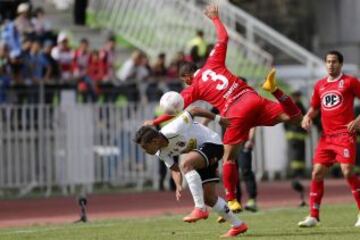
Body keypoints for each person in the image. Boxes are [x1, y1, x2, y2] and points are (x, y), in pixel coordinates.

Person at [145, 4, 302, 213]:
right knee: (293, 116)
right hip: (252, 97)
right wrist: (215, 19)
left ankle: (232, 199)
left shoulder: (195, 87)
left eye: (185, 82)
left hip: (235, 112)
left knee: (229, 157)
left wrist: (155, 122)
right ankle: (273, 89)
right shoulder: (213, 62)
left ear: (186, 77)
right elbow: (223, 39)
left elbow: (175, 110)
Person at [135, 107, 248, 237]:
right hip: (201, 154)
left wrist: (218, 119)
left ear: (154, 141)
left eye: (145, 147)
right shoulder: (161, 152)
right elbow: (174, 169)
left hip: (212, 143)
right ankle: (238, 225)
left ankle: (199, 208)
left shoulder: (172, 129)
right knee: (209, 198)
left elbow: (194, 110)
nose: (144, 151)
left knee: (186, 163)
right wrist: (178, 185)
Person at [298, 50, 360, 227]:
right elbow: (315, 107)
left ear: (340, 64)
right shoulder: (320, 85)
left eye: (334, 62)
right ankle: (313, 216)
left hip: (345, 135)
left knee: (347, 171)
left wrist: (357, 120)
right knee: (317, 173)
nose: (331, 65)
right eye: (328, 62)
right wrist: (307, 116)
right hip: (327, 137)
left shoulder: (350, 82)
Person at [284, 90, 307, 207]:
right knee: (296, 159)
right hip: (296, 138)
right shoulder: (299, 106)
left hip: (296, 138)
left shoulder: (293, 106)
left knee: (296, 159)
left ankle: (297, 176)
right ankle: (296, 176)